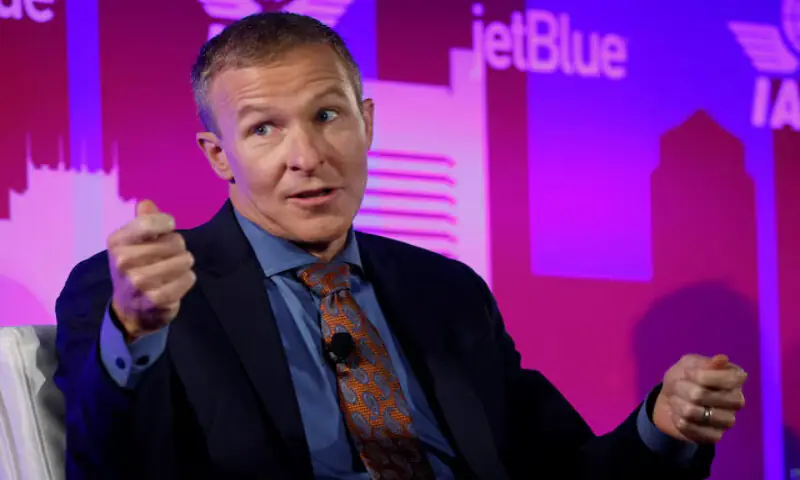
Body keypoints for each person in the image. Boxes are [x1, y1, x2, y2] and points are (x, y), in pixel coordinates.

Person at [54, 12, 747, 480]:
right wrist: (136, 334)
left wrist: (663, 426)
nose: (307, 156)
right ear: (219, 156)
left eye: (328, 115)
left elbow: (561, 468)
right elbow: (106, 462)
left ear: (367, 122)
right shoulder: (131, 293)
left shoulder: (444, 291)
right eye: (264, 129)